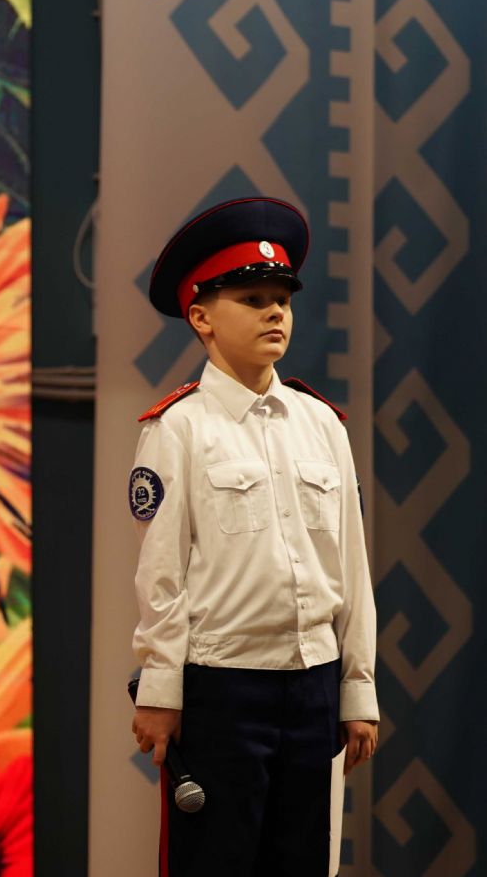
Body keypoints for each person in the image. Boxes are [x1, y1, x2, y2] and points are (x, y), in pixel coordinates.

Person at [129, 196, 379, 875]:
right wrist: (161, 689)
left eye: (282, 300)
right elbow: (161, 576)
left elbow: (351, 569)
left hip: (314, 687)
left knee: (304, 863)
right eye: (252, 299)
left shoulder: (321, 424)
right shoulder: (178, 428)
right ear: (201, 317)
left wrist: (357, 688)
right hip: (223, 690)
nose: (275, 313)